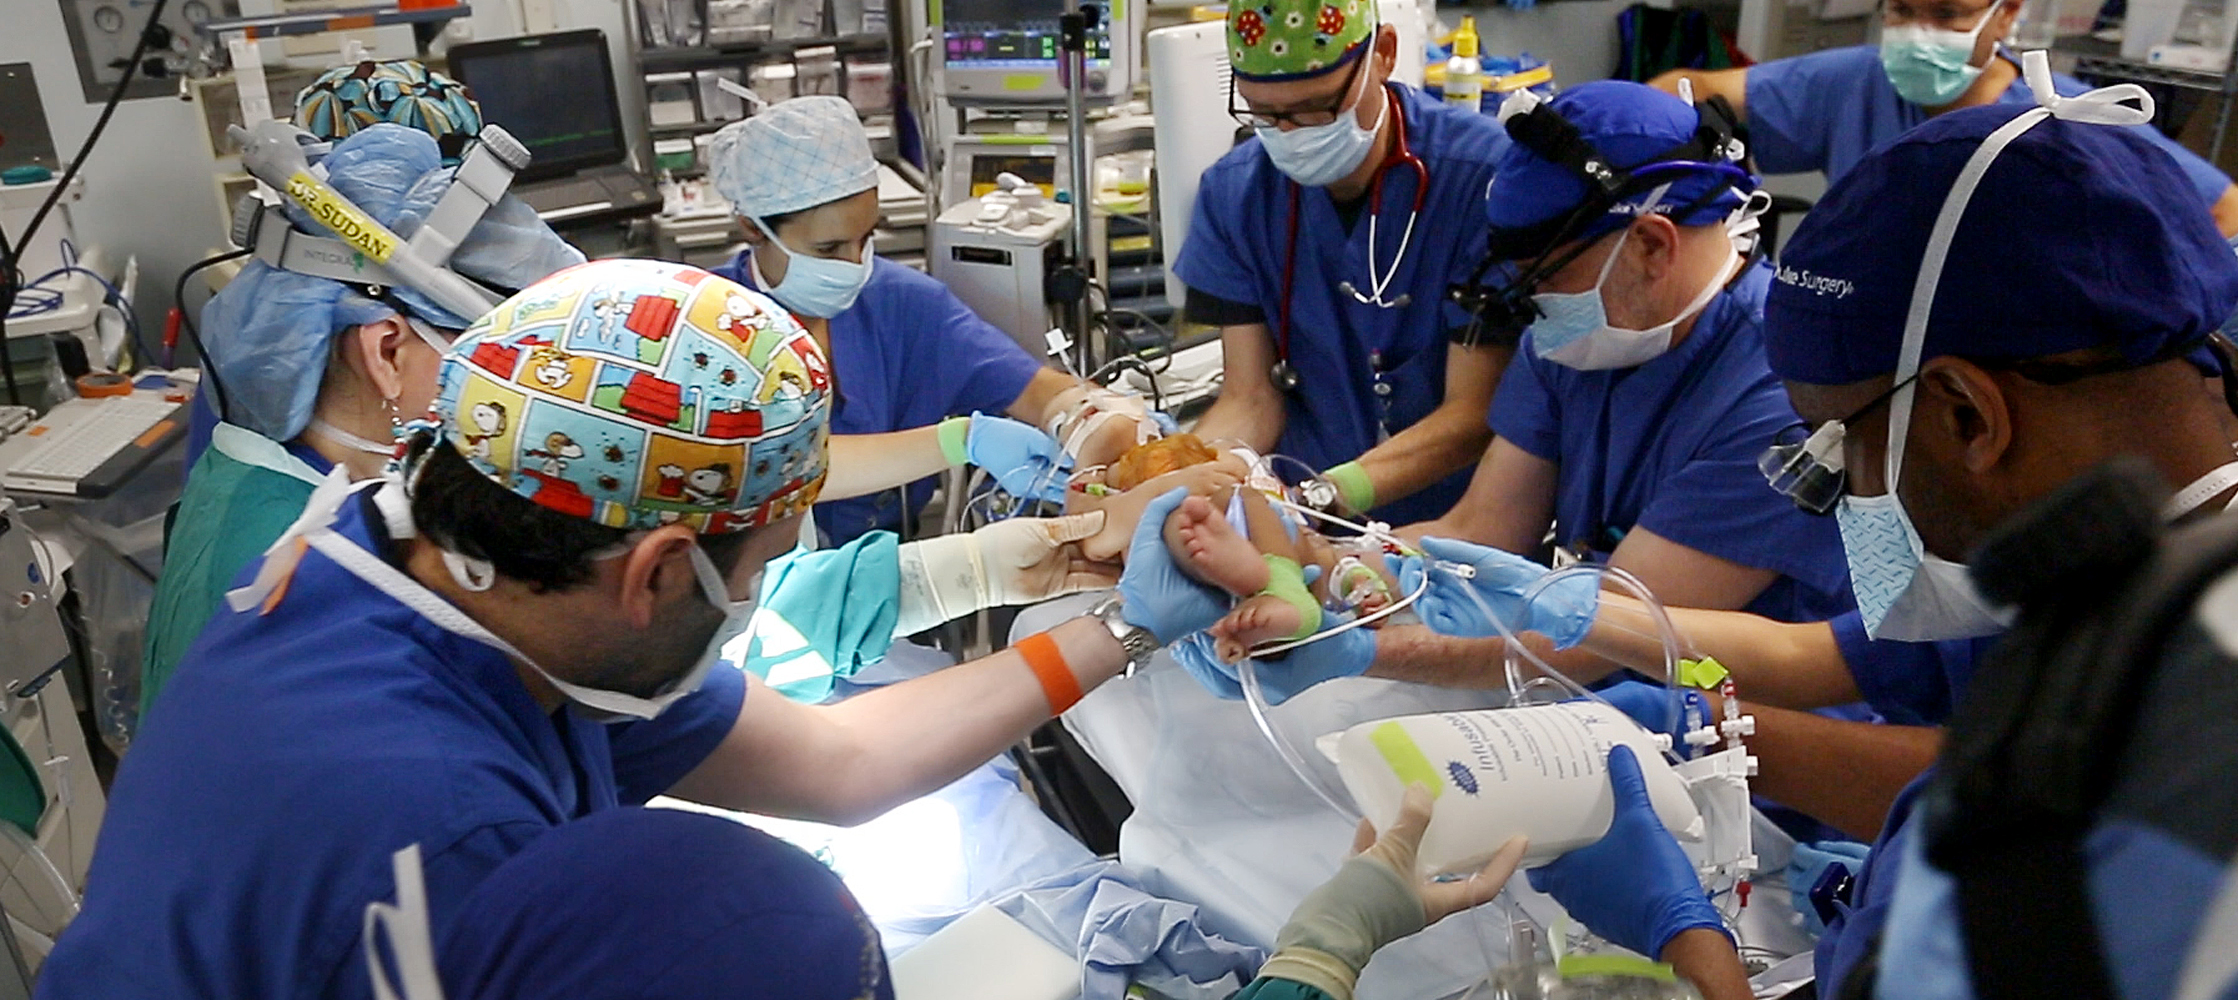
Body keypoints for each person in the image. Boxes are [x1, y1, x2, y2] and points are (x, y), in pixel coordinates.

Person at [37, 259, 1231, 1000]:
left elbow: (841, 764)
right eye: (762, 571)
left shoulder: (427, 565)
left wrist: (1118, 621)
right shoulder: (439, 832)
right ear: (660, 573)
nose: (761, 600)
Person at [1425, 67, 2238, 998]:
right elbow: (1826, 657)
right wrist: (1647, 678)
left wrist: (1697, 954)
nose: (1834, 492)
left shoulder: (2151, 760)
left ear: (1969, 416)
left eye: (1835, 449)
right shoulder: (2103, 580)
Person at [143, 123, 584, 716]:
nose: (516, 400)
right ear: (387, 353)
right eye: (498, 365)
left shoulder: (265, 472)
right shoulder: (294, 570)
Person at [1402, 80, 1850, 627]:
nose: (1537, 304)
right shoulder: (1581, 334)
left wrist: (1378, 648)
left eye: (1545, 278)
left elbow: (1616, 621)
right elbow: (1482, 528)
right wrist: (1341, 559)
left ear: (1651, 245)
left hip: (1712, 695)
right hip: (1584, 662)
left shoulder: (1787, 394)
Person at [704, 95, 1162, 544]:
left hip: (885, 567)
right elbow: (773, 466)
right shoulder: (706, 326)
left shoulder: (901, 303)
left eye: (866, 238)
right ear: (751, 226)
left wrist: (1095, 421)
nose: (854, 264)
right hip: (752, 588)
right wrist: (961, 440)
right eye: (829, 249)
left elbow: (1036, 390)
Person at [1173, 0, 1511, 527]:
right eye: (1264, 113)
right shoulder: (1236, 193)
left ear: (1384, 56)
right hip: (1305, 518)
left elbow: (1474, 413)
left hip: (1455, 529)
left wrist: (1322, 496)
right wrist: (1186, 482)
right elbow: (1252, 397)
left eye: (1315, 107)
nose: (1290, 134)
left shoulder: (1482, 179)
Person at [1646, 0, 2238, 235]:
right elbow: (1679, 89)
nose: (1916, 32)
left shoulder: (2063, 118)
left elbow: (2224, 209)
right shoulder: (1859, 81)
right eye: (1902, 9)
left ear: (2005, 16)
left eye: (1947, 12)